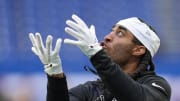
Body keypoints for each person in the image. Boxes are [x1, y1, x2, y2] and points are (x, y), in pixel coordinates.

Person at [29, 14, 171, 101]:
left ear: (138, 50)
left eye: (120, 34)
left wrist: (96, 54)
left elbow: (134, 97)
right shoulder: (90, 90)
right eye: (112, 31)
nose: (108, 37)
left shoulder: (157, 86)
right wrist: (55, 77)